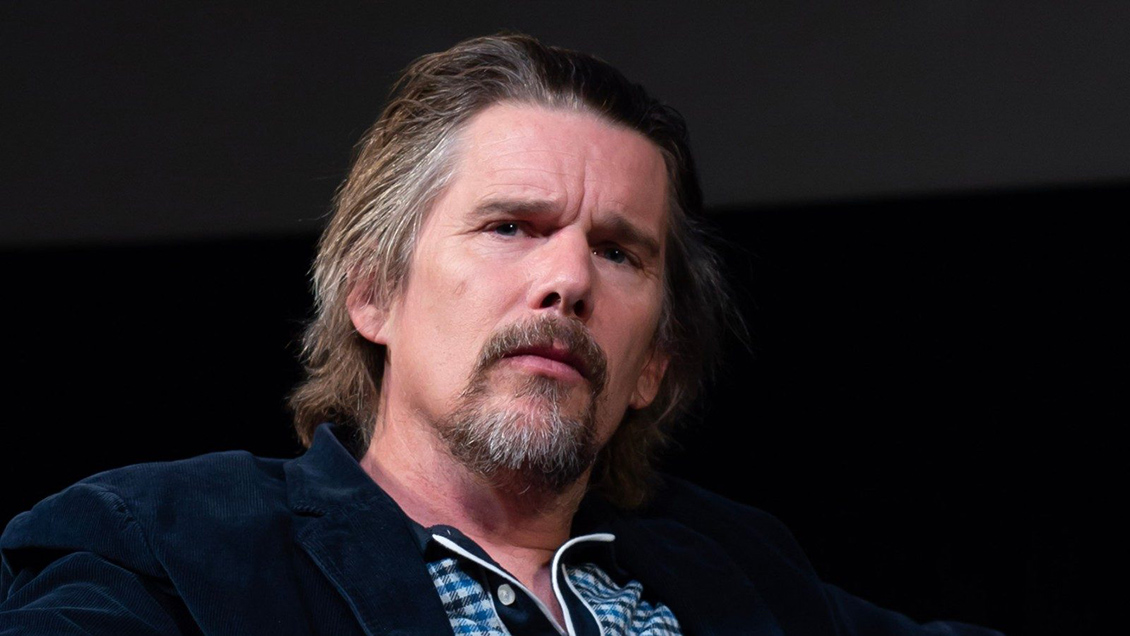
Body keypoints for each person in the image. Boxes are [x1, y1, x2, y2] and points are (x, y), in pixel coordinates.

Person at [0, 34, 1002, 635]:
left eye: (618, 252)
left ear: (653, 365)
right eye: (511, 227)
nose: (567, 279)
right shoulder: (167, 548)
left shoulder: (741, 573)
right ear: (373, 293)